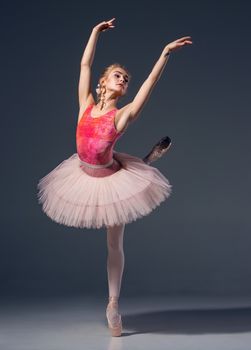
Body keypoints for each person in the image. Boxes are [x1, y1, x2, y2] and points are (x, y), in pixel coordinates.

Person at [37, 18, 192, 337]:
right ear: (104, 83)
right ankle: (147, 161)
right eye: (117, 76)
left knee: (114, 243)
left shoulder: (121, 116)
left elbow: (148, 86)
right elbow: (84, 64)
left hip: (111, 181)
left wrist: (164, 53)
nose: (123, 80)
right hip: (80, 173)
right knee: (124, 168)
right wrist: (94, 33)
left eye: (125, 79)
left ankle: (112, 305)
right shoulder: (85, 105)